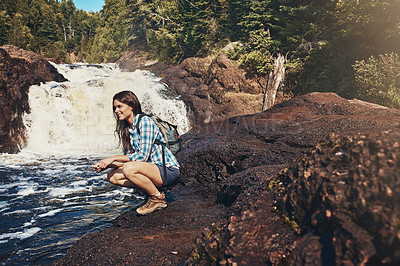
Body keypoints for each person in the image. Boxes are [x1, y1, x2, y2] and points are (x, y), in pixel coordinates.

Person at [93, 90, 180, 215]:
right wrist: (107, 165)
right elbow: (132, 160)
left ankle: (157, 198)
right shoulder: (129, 129)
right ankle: (152, 192)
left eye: (119, 106)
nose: (116, 111)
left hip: (167, 171)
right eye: (114, 108)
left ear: (131, 106)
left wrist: (112, 158)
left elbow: (142, 157)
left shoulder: (144, 122)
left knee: (128, 168)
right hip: (150, 171)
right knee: (112, 176)